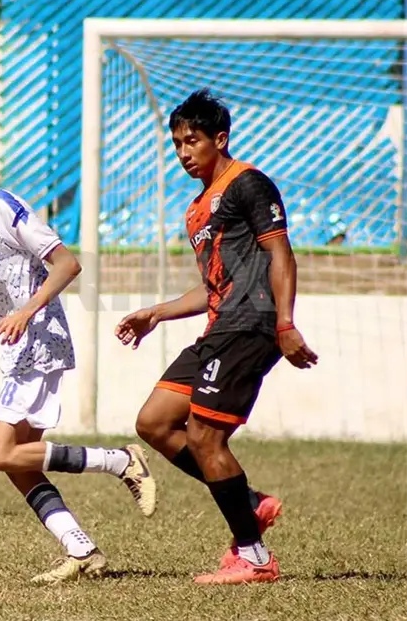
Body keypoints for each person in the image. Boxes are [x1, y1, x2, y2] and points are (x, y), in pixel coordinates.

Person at [0, 122, 157, 585]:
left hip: (38, 343)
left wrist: (26, 312)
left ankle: (121, 461)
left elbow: (67, 264)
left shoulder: (4, 206)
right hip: (20, 345)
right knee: (21, 464)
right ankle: (81, 549)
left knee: (0, 454)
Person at [116, 89, 318, 585]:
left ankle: (254, 556)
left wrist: (284, 323)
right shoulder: (196, 211)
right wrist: (156, 313)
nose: (184, 152)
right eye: (177, 144)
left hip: (251, 325)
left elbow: (281, 255)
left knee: (206, 437)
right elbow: (212, 286)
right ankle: (248, 503)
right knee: (154, 422)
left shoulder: (248, 184)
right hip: (219, 325)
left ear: (219, 139)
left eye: (193, 141)